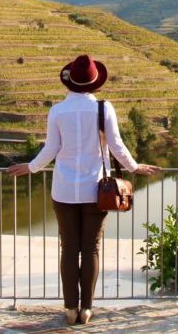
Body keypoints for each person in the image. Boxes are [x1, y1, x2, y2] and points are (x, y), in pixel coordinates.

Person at [8, 54, 159, 325]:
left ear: (69, 83)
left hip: (64, 190)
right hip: (96, 191)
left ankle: (69, 309)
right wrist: (135, 167)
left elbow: (51, 150)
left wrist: (30, 168)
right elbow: (116, 146)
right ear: (94, 83)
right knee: (90, 249)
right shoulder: (104, 109)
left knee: (69, 249)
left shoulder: (57, 111)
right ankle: (86, 309)